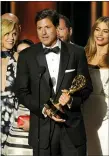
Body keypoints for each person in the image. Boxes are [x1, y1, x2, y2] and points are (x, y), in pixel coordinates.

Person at [15, 9, 93, 156]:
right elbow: (21, 91)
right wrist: (45, 109)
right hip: (42, 133)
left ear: (57, 28)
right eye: (39, 28)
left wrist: (71, 100)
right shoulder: (26, 56)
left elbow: (87, 87)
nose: (43, 33)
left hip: (72, 130)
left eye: (47, 27)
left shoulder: (76, 52)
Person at [82, 16, 109, 156]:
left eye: (105, 31)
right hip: (84, 111)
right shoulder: (83, 54)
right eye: (97, 30)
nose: (100, 34)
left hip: (106, 115)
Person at [4, 39, 34, 156]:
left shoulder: (40, 75)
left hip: (32, 129)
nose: (22, 55)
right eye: (19, 52)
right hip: (14, 132)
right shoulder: (10, 76)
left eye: (26, 52)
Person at [1, 19, 19, 156]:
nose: (11, 38)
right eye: (7, 34)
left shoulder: (20, 58)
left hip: (13, 111)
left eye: (14, 34)